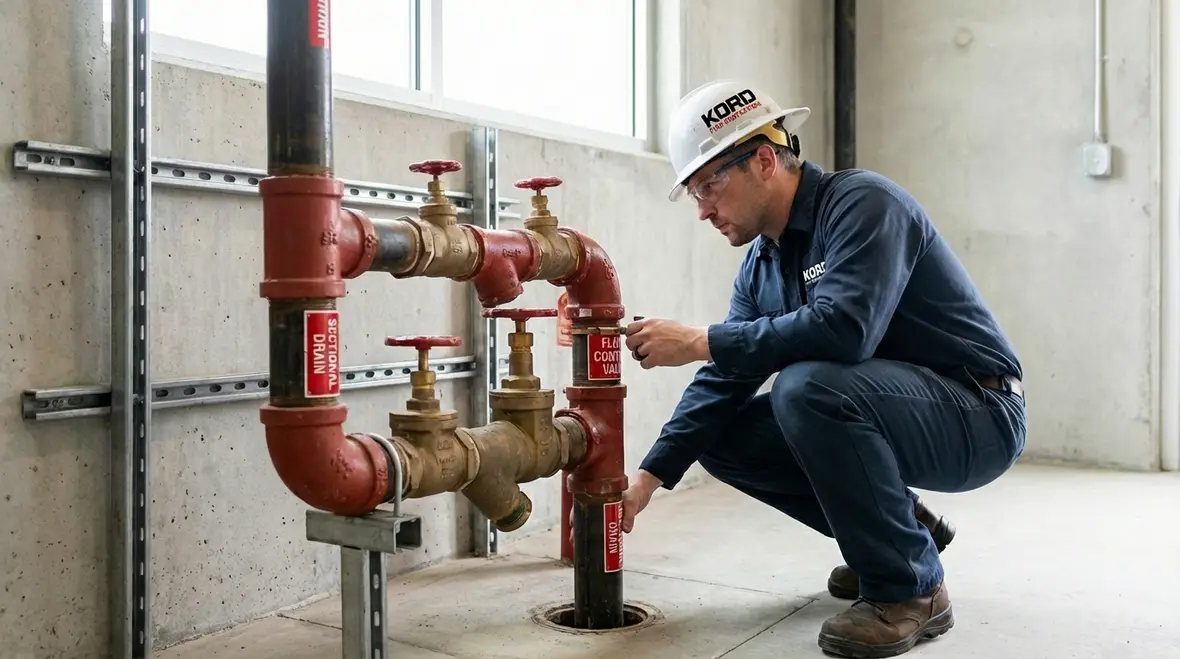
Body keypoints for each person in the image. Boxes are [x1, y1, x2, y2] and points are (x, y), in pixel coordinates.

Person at [620, 79, 1027, 657]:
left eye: (710, 184)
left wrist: (699, 339)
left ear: (764, 160)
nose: (704, 210)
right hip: (894, 410)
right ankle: (905, 537)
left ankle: (910, 590)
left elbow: (845, 330)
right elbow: (724, 378)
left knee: (807, 387)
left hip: (979, 412)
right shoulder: (762, 264)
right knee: (725, 436)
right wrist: (649, 478)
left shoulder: (862, 205)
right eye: (693, 194)